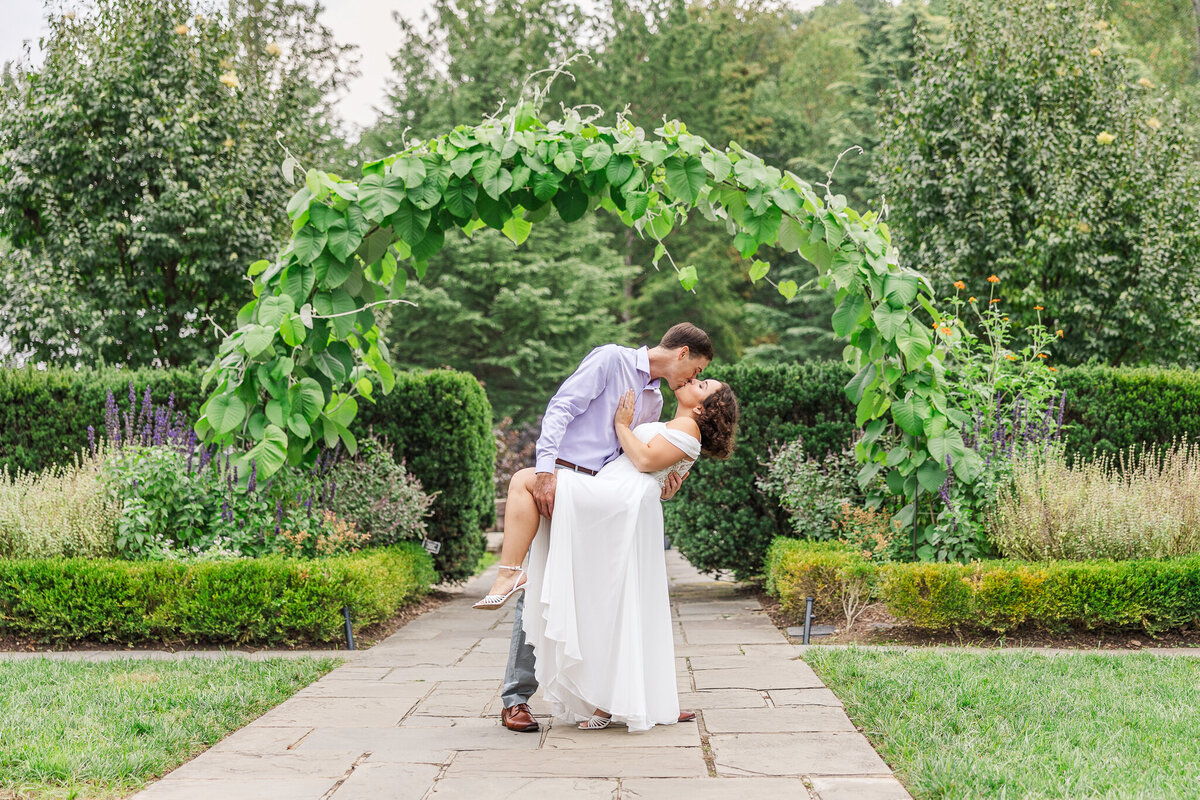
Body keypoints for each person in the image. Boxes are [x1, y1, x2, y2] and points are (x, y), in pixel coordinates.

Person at [490, 323, 713, 734]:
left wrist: (662, 483)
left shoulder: (654, 399)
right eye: (696, 370)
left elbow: (633, 458)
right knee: (543, 586)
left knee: (605, 598)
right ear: (682, 353)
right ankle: (516, 698)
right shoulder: (610, 359)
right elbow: (561, 408)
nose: (694, 379)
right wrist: (544, 470)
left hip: (602, 500)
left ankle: (633, 696)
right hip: (561, 483)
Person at [523, 377, 738, 731]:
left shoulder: (687, 425)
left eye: (702, 384)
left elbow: (643, 460)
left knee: (527, 482)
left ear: (702, 408)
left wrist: (622, 425)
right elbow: (658, 468)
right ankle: (616, 698)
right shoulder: (675, 422)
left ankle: (510, 570)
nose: (694, 380)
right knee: (615, 604)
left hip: (622, 504)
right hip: (623, 502)